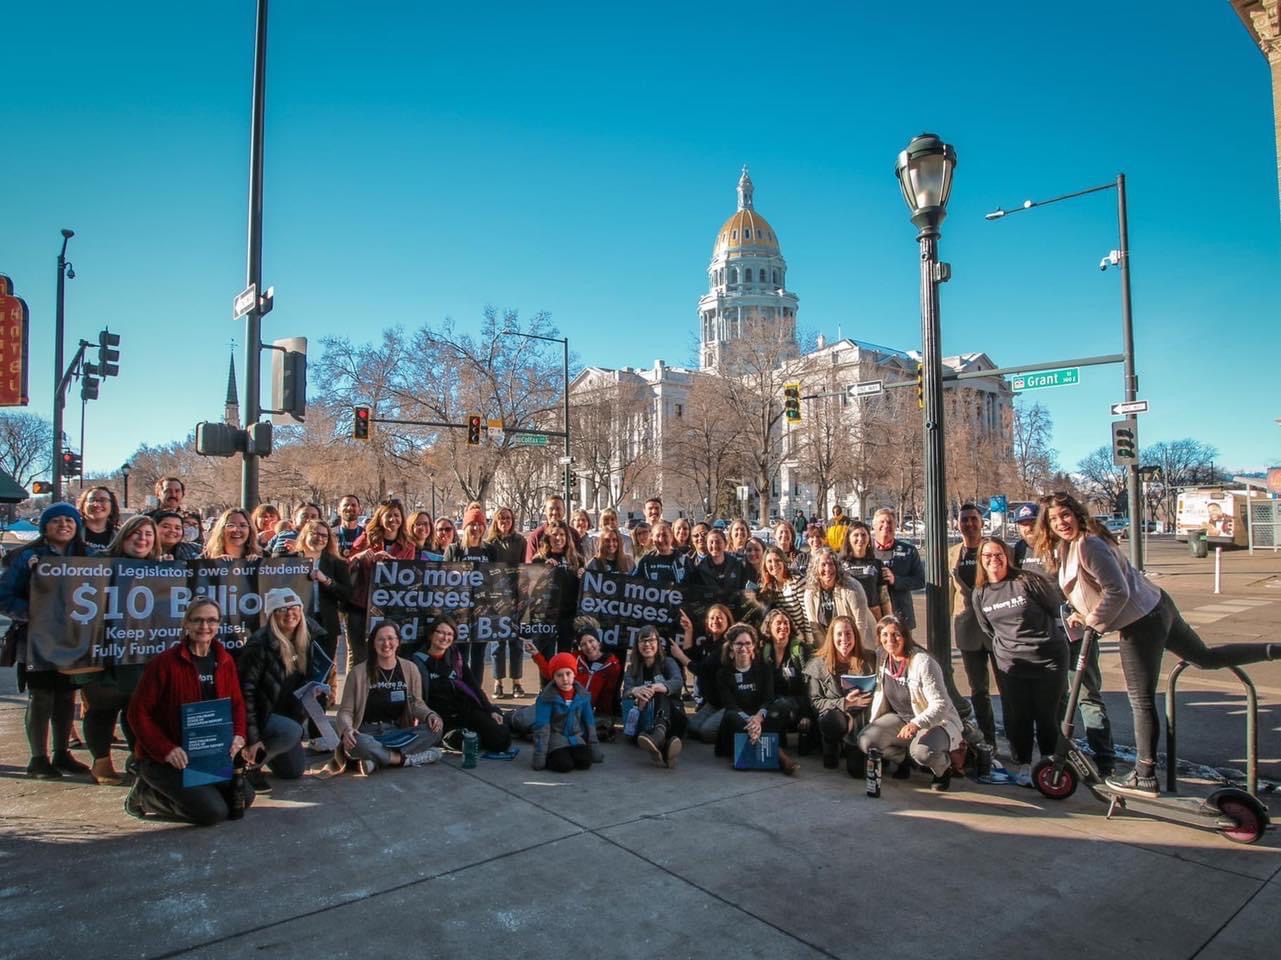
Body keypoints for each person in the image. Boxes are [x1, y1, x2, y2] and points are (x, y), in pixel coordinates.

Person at [1037, 491, 1280, 797]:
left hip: (1140, 622)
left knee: (1140, 699)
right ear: (1046, 524)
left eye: (1065, 515)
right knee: (1204, 657)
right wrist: (1080, 613)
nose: (1061, 522)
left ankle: (1144, 773)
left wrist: (1092, 622)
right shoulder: (1075, 544)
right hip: (1156, 606)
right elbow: (1094, 590)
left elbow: (1116, 591)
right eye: (1054, 519)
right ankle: (1273, 650)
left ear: (1076, 513)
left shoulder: (1088, 545)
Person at [123, 600, 250, 825]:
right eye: (197, 620)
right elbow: (137, 713)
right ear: (186, 624)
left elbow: (237, 704)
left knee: (243, 798)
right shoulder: (164, 663)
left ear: (219, 625)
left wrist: (239, 735)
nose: (204, 626)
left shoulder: (224, 660)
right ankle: (146, 796)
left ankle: (199, 790)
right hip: (168, 759)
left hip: (208, 754)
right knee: (213, 813)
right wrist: (166, 749)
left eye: (211, 620)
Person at [1014, 501, 1116, 773]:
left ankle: (1105, 760)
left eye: (1032, 524)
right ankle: (1058, 753)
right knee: (1055, 699)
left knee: (1086, 695)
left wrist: (1085, 615)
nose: (1028, 531)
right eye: (1023, 526)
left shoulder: (1062, 546)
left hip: (1074, 630)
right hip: (1043, 635)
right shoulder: (1019, 550)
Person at [0, 504, 94, 779]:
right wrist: (33, 613)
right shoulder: (26, 556)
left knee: (67, 696)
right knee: (41, 697)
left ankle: (62, 753)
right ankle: (38, 758)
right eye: (56, 521)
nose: (63, 525)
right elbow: (4, 596)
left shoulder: (89, 555)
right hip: (36, 640)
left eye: (69, 520)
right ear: (44, 527)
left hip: (74, 639)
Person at [972, 537, 1069, 787]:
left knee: (1047, 716)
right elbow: (988, 629)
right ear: (981, 561)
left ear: (1007, 557)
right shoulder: (980, 593)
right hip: (1011, 664)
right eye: (987, 556)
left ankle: (1049, 765)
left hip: (1047, 658)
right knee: (1020, 717)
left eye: (998, 555)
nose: (994, 560)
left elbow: (1056, 610)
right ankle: (1024, 764)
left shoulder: (1027, 581)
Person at [79, 515, 160, 785]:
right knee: (102, 708)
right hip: (103, 652)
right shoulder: (97, 563)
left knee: (136, 709)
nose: (142, 539)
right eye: (136, 534)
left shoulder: (160, 569)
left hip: (141, 654)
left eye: (148, 534)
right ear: (124, 536)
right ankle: (101, 763)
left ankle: (137, 759)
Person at [857, 616, 964, 791]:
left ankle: (943, 769)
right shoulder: (881, 656)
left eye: (896, 635)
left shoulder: (923, 662)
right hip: (900, 718)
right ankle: (905, 759)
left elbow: (940, 704)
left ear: (906, 636)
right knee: (866, 741)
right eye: (884, 634)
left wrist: (917, 723)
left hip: (934, 721)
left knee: (923, 752)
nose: (890, 640)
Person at [236, 588, 326, 790]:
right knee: (291, 732)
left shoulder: (310, 638)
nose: (290, 613)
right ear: (271, 615)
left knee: (293, 771)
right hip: (261, 716)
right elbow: (246, 694)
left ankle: (269, 751)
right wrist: (253, 739)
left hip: (286, 716)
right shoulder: (259, 644)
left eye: (294, 607)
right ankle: (247, 765)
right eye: (281, 609)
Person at [332, 622, 444, 775]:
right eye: (381, 639)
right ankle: (407, 760)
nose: (386, 644)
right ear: (373, 643)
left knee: (435, 729)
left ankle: (377, 760)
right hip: (367, 733)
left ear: (398, 642)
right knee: (358, 743)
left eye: (391, 638)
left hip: (398, 732)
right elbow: (345, 711)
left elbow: (417, 703)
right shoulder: (358, 673)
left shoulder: (410, 669)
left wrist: (429, 715)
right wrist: (347, 729)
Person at [413, 616, 512, 753]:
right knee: (470, 744)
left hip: (465, 710)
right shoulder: (416, 662)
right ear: (431, 635)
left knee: (501, 740)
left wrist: (489, 710)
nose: (444, 637)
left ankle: (503, 719)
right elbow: (416, 700)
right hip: (440, 717)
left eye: (449, 634)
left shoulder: (455, 656)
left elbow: (473, 685)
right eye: (440, 632)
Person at [714, 623, 799, 774]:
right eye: (738, 643)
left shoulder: (764, 669)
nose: (743, 647)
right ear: (731, 647)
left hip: (760, 716)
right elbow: (731, 705)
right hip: (739, 718)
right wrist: (751, 722)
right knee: (731, 716)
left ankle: (762, 754)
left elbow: (768, 698)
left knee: (780, 707)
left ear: (753, 646)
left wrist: (758, 719)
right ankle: (781, 758)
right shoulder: (723, 674)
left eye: (748, 643)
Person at [950, 503, 1000, 748]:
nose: (969, 524)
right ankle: (988, 740)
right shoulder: (953, 553)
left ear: (981, 522)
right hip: (967, 627)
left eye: (973, 519)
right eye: (964, 520)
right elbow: (949, 594)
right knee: (978, 689)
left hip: (998, 626)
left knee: (1008, 686)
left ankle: (1015, 739)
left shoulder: (994, 550)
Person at [347, 499, 416, 670]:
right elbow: (347, 565)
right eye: (389, 515)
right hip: (361, 605)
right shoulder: (366, 538)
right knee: (359, 657)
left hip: (390, 608)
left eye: (397, 515)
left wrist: (392, 563)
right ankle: (357, 694)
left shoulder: (408, 545)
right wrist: (363, 556)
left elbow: (409, 576)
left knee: (388, 656)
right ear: (380, 517)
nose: (393, 519)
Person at [804, 615, 876, 775]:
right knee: (832, 721)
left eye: (848, 634)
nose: (844, 639)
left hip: (861, 719)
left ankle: (853, 747)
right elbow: (816, 701)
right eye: (839, 634)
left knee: (857, 772)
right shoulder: (818, 664)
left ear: (855, 636)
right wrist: (845, 703)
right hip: (834, 716)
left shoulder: (870, 659)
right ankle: (831, 745)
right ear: (832, 637)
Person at [525, 617, 621, 736]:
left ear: (598, 642)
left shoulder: (612, 665)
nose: (589, 646)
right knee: (527, 719)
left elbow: (608, 694)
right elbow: (552, 673)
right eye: (583, 644)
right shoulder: (574, 658)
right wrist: (536, 655)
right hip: (562, 704)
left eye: (591, 641)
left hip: (584, 712)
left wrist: (605, 715)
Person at [621, 626, 686, 767]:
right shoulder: (632, 669)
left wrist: (656, 687)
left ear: (658, 643)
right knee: (668, 738)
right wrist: (636, 690)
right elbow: (626, 691)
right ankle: (664, 747)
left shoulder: (668, 662)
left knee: (661, 694)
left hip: (673, 717)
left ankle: (657, 737)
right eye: (642, 641)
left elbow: (677, 681)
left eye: (651, 640)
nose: (647, 644)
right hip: (644, 719)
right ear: (637, 645)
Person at [295, 519, 352, 676]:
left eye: (324, 536)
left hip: (326, 623)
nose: (320, 538)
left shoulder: (336, 563)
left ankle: (320, 700)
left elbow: (346, 594)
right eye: (315, 534)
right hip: (297, 622)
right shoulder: (291, 560)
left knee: (322, 672)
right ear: (305, 535)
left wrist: (326, 581)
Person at [531, 653, 603, 773]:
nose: (565, 679)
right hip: (556, 738)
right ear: (553, 677)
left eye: (568, 673)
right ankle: (555, 756)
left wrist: (595, 751)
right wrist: (539, 758)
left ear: (574, 674)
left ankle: (571, 753)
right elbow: (542, 727)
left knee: (585, 762)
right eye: (559, 675)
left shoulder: (583, 696)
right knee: (563, 765)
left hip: (576, 737)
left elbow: (589, 723)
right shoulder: (546, 698)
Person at [802, 548, 877, 654]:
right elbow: (815, 628)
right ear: (815, 568)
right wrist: (826, 653)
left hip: (862, 641)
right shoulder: (810, 593)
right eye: (823, 565)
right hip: (835, 643)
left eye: (831, 564)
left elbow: (860, 623)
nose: (827, 569)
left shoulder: (852, 587)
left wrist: (853, 651)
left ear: (837, 567)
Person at [679, 603, 733, 741]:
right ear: (707, 622)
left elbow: (700, 669)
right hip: (713, 703)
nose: (715, 621)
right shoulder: (709, 643)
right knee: (691, 728)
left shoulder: (727, 645)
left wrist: (679, 656)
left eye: (720, 618)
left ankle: (736, 727)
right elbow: (691, 654)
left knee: (706, 733)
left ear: (728, 621)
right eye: (712, 618)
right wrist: (689, 630)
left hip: (727, 703)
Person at [760, 608, 811, 751]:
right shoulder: (764, 651)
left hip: (797, 702)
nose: (783, 626)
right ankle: (777, 748)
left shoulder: (799, 649)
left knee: (779, 707)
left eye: (786, 623)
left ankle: (777, 750)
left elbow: (809, 684)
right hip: (773, 702)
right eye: (778, 623)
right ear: (769, 627)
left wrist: (806, 715)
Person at [870, 508, 926, 629]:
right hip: (872, 618)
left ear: (895, 526)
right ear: (874, 526)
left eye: (890, 522)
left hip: (901, 617)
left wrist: (896, 580)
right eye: (882, 522)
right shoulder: (865, 551)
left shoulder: (909, 551)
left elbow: (920, 581)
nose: (886, 525)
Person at [838, 521, 892, 620]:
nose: (860, 538)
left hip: (873, 615)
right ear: (849, 539)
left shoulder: (877, 564)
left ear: (868, 538)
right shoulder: (840, 564)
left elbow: (884, 596)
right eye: (856, 535)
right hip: (848, 616)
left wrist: (888, 619)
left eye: (863, 535)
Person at [758, 546, 809, 640]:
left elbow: (807, 615)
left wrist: (809, 640)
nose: (774, 564)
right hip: (786, 635)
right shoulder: (769, 587)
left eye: (777, 560)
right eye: (769, 561)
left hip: (805, 634)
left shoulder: (797, 581)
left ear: (784, 562)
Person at [524, 494, 582, 562]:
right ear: (546, 511)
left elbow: (579, 562)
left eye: (558, 508)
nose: (554, 512)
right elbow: (530, 566)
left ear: (564, 511)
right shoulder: (535, 536)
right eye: (551, 509)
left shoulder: (574, 534)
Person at [696, 527, 749, 594]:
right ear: (706, 545)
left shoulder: (737, 565)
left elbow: (743, 590)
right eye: (711, 542)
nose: (714, 545)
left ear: (725, 543)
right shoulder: (700, 569)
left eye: (718, 542)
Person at [1011, 502, 1049, 577]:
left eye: (1033, 523)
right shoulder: (1018, 547)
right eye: (1024, 524)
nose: (1029, 528)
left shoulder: (1055, 545)